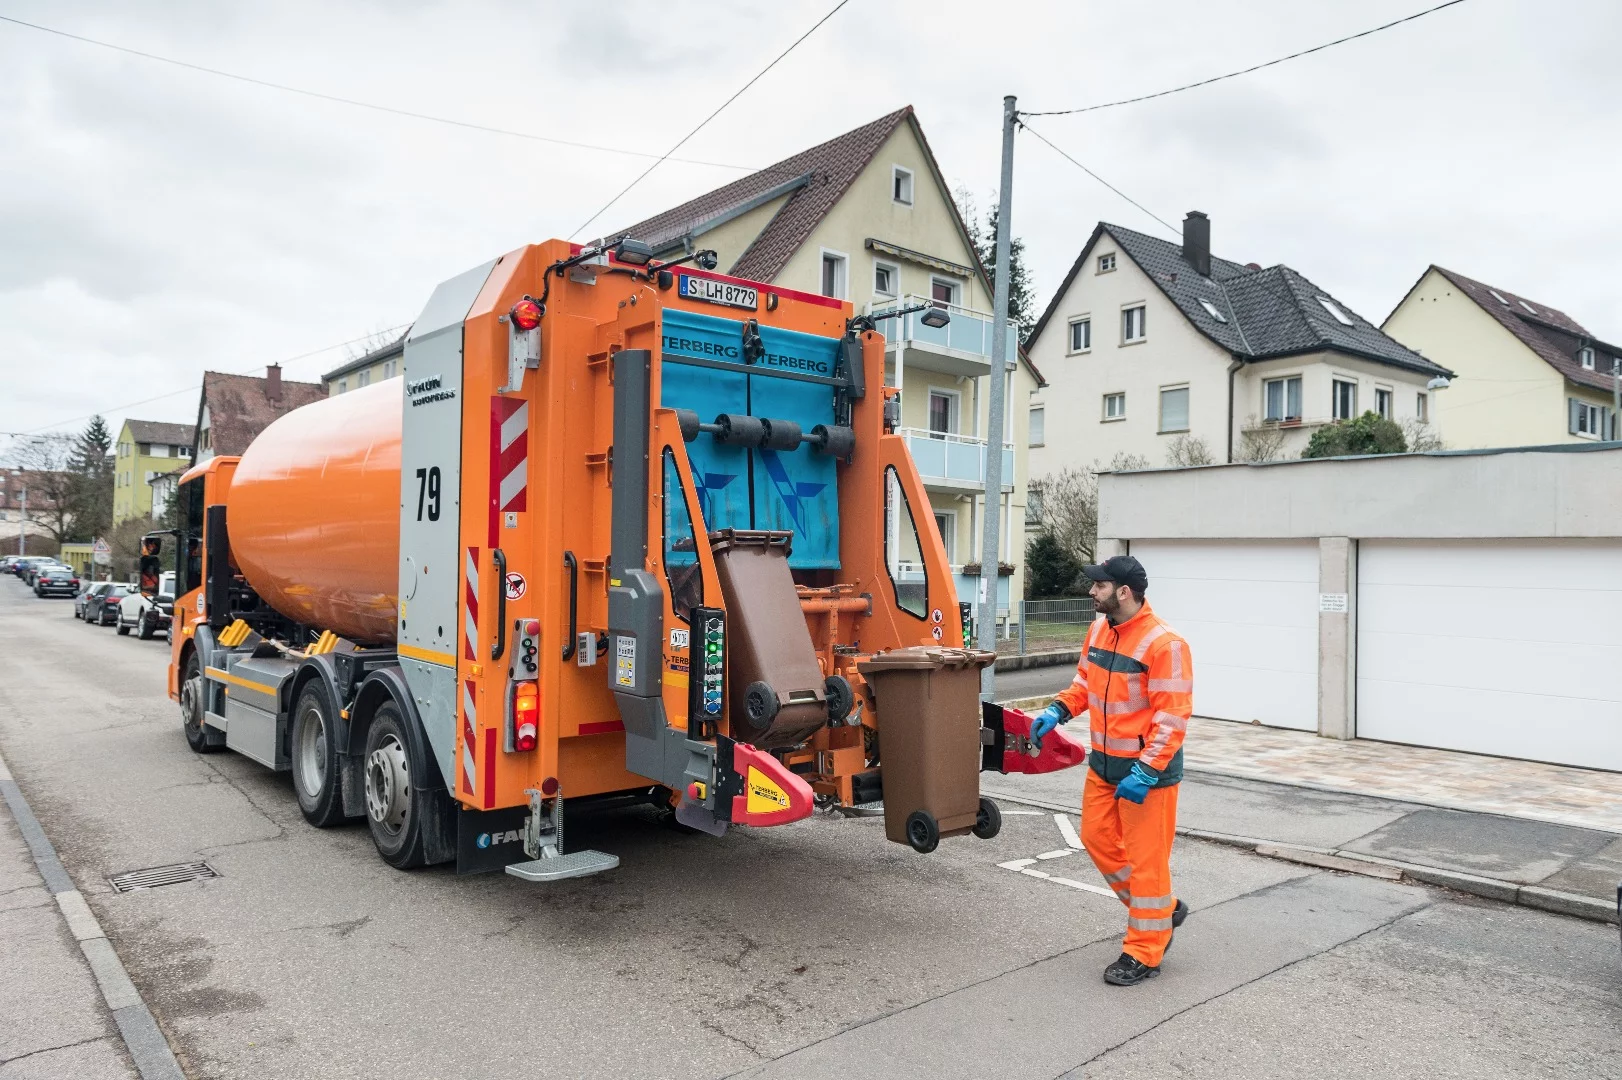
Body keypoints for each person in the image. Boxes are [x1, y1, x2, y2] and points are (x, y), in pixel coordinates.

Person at [1029, 554, 1192, 986]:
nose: (1091, 591)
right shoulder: (1101, 629)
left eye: (1099, 585)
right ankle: (1161, 910)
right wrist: (1058, 708)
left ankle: (1144, 951)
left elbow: (1172, 719)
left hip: (1146, 775)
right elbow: (1085, 683)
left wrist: (1147, 772)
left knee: (1147, 863)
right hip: (1103, 765)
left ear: (1123, 592)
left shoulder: (1165, 645)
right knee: (1097, 838)